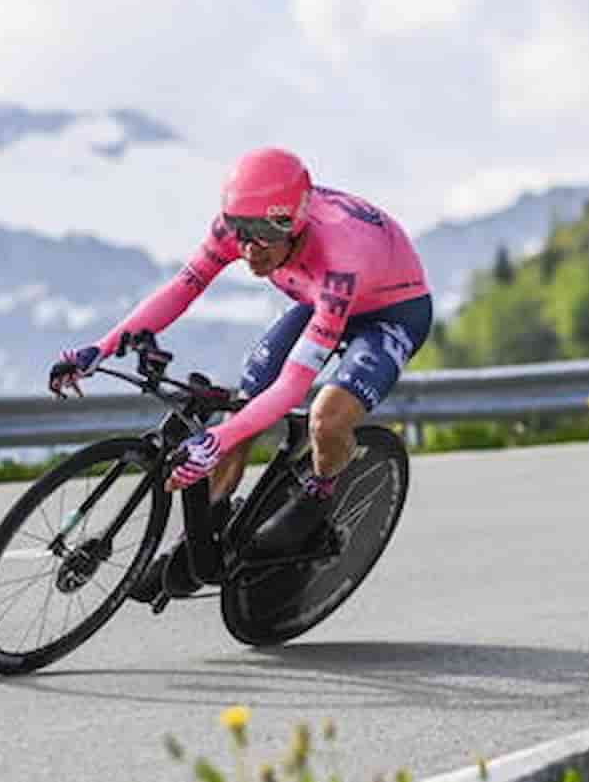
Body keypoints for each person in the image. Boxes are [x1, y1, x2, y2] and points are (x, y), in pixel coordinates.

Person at [48, 147, 433, 601]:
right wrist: (101, 348)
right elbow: (180, 291)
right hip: (316, 298)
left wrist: (217, 440)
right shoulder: (246, 223)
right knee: (242, 408)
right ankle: (198, 545)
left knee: (326, 419)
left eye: (264, 237)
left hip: (389, 313)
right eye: (241, 233)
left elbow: (293, 384)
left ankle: (322, 489)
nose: (249, 249)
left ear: (296, 224)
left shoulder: (342, 252)